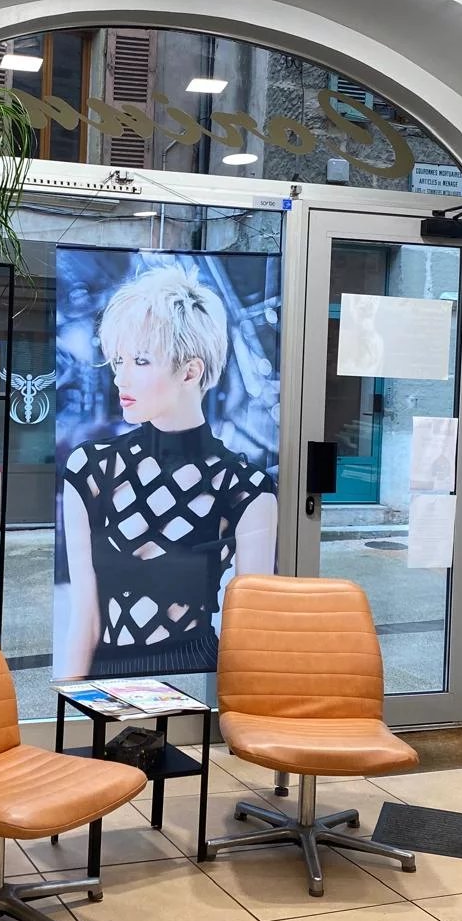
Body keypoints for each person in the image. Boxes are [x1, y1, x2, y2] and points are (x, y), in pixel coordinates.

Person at [58, 263, 278, 679]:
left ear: (190, 372)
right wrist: (69, 704)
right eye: (118, 360)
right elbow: (84, 621)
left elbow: (250, 636)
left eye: (140, 361)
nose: (120, 378)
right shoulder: (91, 469)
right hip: (107, 682)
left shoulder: (247, 489)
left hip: (193, 679)